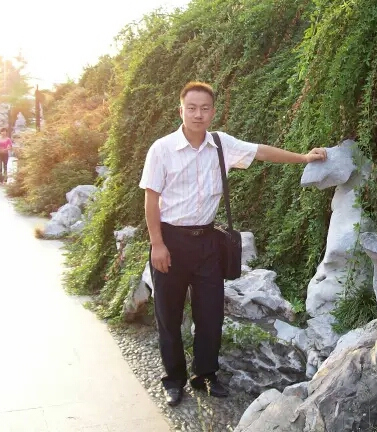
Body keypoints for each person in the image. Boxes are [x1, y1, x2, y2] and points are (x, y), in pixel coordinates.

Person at [139, 81, 327, 407]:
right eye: (191, 108)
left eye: (204, 108)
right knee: (168, 317)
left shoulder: (221, 144)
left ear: (213, 112)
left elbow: (261, 151)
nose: (198, 114)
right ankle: (173, 380)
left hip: (208, 243)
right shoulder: (162, 149)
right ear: (181, 110)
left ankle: (205, 375)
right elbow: (151, 199)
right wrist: (157, 244)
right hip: (171, 241)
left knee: (211, 314)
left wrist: (303, 158)